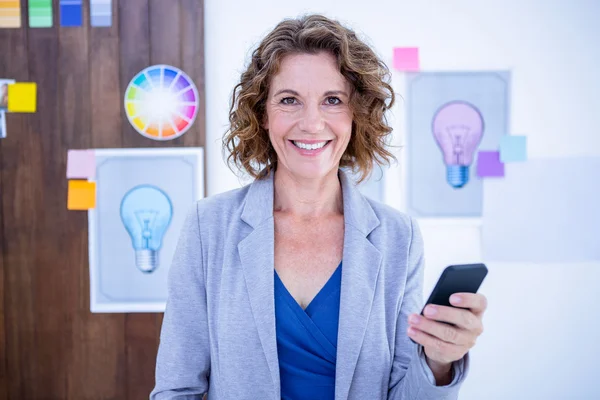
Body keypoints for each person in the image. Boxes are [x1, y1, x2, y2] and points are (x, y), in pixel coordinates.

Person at [150, 13, 487, 400]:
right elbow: (177, 389)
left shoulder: (399, 237)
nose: (311, 124)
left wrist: (440, 362)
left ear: (355, 113)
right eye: (289, 100)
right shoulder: (207, 228)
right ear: (262, 114)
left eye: (332, 100)